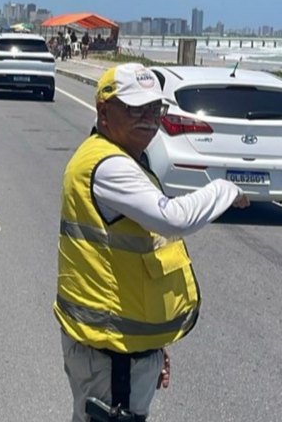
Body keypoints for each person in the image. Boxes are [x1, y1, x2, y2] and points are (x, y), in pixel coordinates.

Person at [55, 63, 250, 422]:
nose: (148, 118)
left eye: (155, 108)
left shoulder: (118, 157)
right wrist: (224, 188)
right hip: (112, 355)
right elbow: (173, 218)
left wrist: (152, 349)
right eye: (135, 108)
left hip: (119, 349)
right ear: (103, 110)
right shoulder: (110, 166)